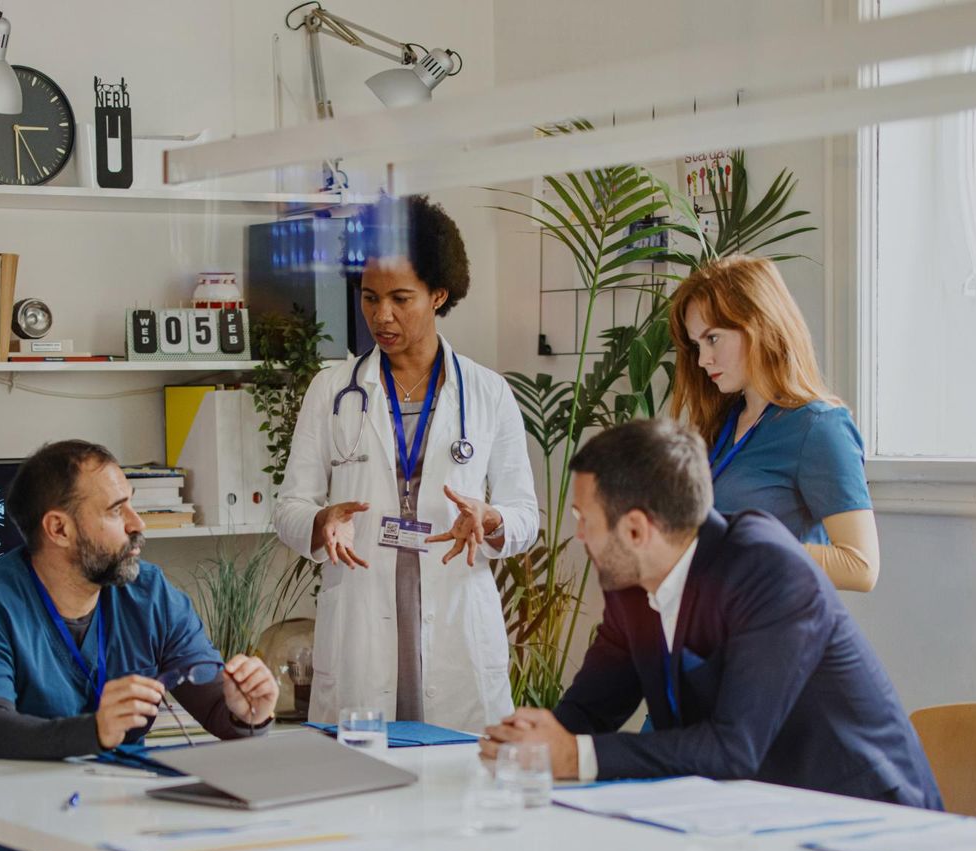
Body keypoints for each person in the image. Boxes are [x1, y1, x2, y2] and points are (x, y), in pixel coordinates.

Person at [480, 419, 940, 808]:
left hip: (863, 817)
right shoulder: (631, 582)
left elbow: (732, 749)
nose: (579, 535)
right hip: (747, 815)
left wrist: (573, 756)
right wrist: (528, 740)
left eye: (585, 519)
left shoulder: (769, 571)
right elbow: (587, 712)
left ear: (637, 529)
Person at [0, 440, 279, 851]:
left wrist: (247, 711)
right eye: (117, 511)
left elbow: (218, 707)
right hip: (19, 824)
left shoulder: (150, 594)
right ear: (58, 528)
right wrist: (94, 731)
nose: (137, 526)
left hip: (124, 815)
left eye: (132, 507)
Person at [275, 194, 540, 731]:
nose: (381, 315)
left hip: (457, 632)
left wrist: (491, 521)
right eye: (370, 298)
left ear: (439, 294)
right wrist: (321, 521)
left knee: (458, 796)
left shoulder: (487, 394)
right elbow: (289, 508)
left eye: (400, 298)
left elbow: (525, 516)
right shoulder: (332, 390)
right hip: (361, 635)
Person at [669, 255, 880, 592]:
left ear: (759, 325)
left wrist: (742, 547)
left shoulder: (818, 427)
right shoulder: (723, 423)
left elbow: (861, 566)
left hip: (775, 631)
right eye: (696, 345)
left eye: (713, 339)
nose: (702, 360)